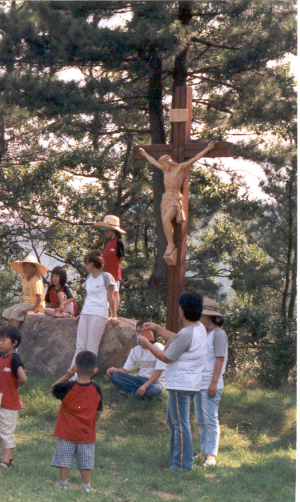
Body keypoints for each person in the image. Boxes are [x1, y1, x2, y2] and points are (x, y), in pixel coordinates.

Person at [140, 292, 207, 472]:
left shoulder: (187, 334)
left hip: (180, 384)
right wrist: (157, 328)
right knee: (175, 421)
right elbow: (176, 339)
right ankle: (177, 459)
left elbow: (167, 357)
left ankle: (181, 466)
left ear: (183, 311)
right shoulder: (198, 329)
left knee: (179, 425)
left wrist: (148, 344)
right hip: (190, 383)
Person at [139, 142, 216, 264]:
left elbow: (195, 158)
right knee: (165, 221)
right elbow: (153, 161)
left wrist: (207, 148)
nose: (162, 166)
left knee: (166, 220)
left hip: (175, 199)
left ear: (168, 162)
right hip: (166, 198)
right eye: (162, 165)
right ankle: (170, 244)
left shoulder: (180, 167)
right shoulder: (165, 170)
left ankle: (171, 244)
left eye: (164, 164)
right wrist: (145, 154)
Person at [51, 351, 103, 493]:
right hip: (86, 433)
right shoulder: (96, 389)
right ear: (95, 370)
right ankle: (86, 486)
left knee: (64, 459)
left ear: (75, 367)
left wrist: (68, 375)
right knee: (86, 461)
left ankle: (63, 484)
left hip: (67, 431)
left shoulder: (68, 387)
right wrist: (93, 422)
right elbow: (98, 411)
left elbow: (55, 388)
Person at [193, 298, 228, 468]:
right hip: (199, 383)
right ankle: (203, 451)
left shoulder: (219, 334)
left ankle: (212, 455)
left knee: (210, 419)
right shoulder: (205, 333)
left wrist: (213, 383)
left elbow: (219, 360)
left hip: (210, 383)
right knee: (201, 419)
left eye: (201, 316)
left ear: (208, 317)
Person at [70, 252, 117, 376]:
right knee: (80, 345)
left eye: (86, 263)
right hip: (86, 313)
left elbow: (111, 297)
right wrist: (81, 313)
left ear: (91, 264)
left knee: (91, 346)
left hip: (99, 313)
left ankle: (85, 376)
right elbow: (86, 296)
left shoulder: (106, 277)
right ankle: (73, 375)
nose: (85, 266)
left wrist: (114, 315)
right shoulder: (89, 278)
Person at [0, 325, 27, 469]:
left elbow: (22, 378)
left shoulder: (15, 358)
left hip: (9, 404)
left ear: (14, 342)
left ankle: (6, 459)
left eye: (3, 340)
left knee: (6, 431)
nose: (0, 343)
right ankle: (9, 455)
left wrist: (15, 386)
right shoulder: (0, 359)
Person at [106, 321, 166, 399]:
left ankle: (130, 393)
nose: (138, 335)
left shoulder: (158, 347)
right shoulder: (135, 350)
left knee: (156, 390)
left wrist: (144, 387)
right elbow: (126, 370)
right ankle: (137, 394)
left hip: (155, 382)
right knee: (115, 375)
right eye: (137, 332)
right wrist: (114, 370)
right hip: (140, 379)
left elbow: (158, 373)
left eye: (141, 332)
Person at [2, 252, 48, 328]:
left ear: (34, 269)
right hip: (26, 303)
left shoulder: (36, 281)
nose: (27, 269)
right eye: (25, 267)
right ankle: (17, 328)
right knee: (6, 313)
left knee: (15, 312)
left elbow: (40, 298)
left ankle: (14, 334)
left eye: (29, 267)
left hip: (33, 304)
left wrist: (34, 311)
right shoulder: (24, 280)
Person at [94, 215, 125, 316]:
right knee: (105, 293)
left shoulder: (119, 242)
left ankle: (114, 314)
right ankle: (104, 312)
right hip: (105, 272)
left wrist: (113, 263)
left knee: (115, 293)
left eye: (107, 231)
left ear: (112, 230)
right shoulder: (107, 242)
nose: (105, 233)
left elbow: (121, 257)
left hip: (114, 273)